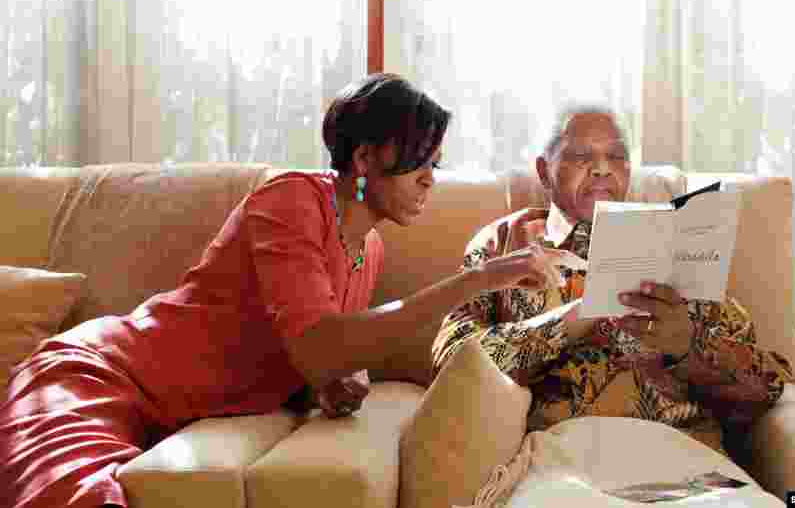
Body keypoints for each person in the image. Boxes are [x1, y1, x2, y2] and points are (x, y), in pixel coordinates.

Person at [0, 73, 569, 508]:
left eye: (435, 163)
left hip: (164, 414)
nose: (429, 177)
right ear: (364, 157)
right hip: (98, 377)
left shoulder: (367, 248)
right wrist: (477, 280)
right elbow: (320, 343)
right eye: (418, 158)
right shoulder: (292, 201)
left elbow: (318, 351)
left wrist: (330, 382)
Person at [432, 103, 795, 455]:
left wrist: (688, 346)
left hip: (684, 457)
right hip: (563, 460)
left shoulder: (679, 242)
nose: (602, 169)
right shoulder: (506, 244)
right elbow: (452, 361)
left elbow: (769, 386)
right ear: (544, 171)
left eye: (617, 156)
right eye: (580, 156)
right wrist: (571, 319)